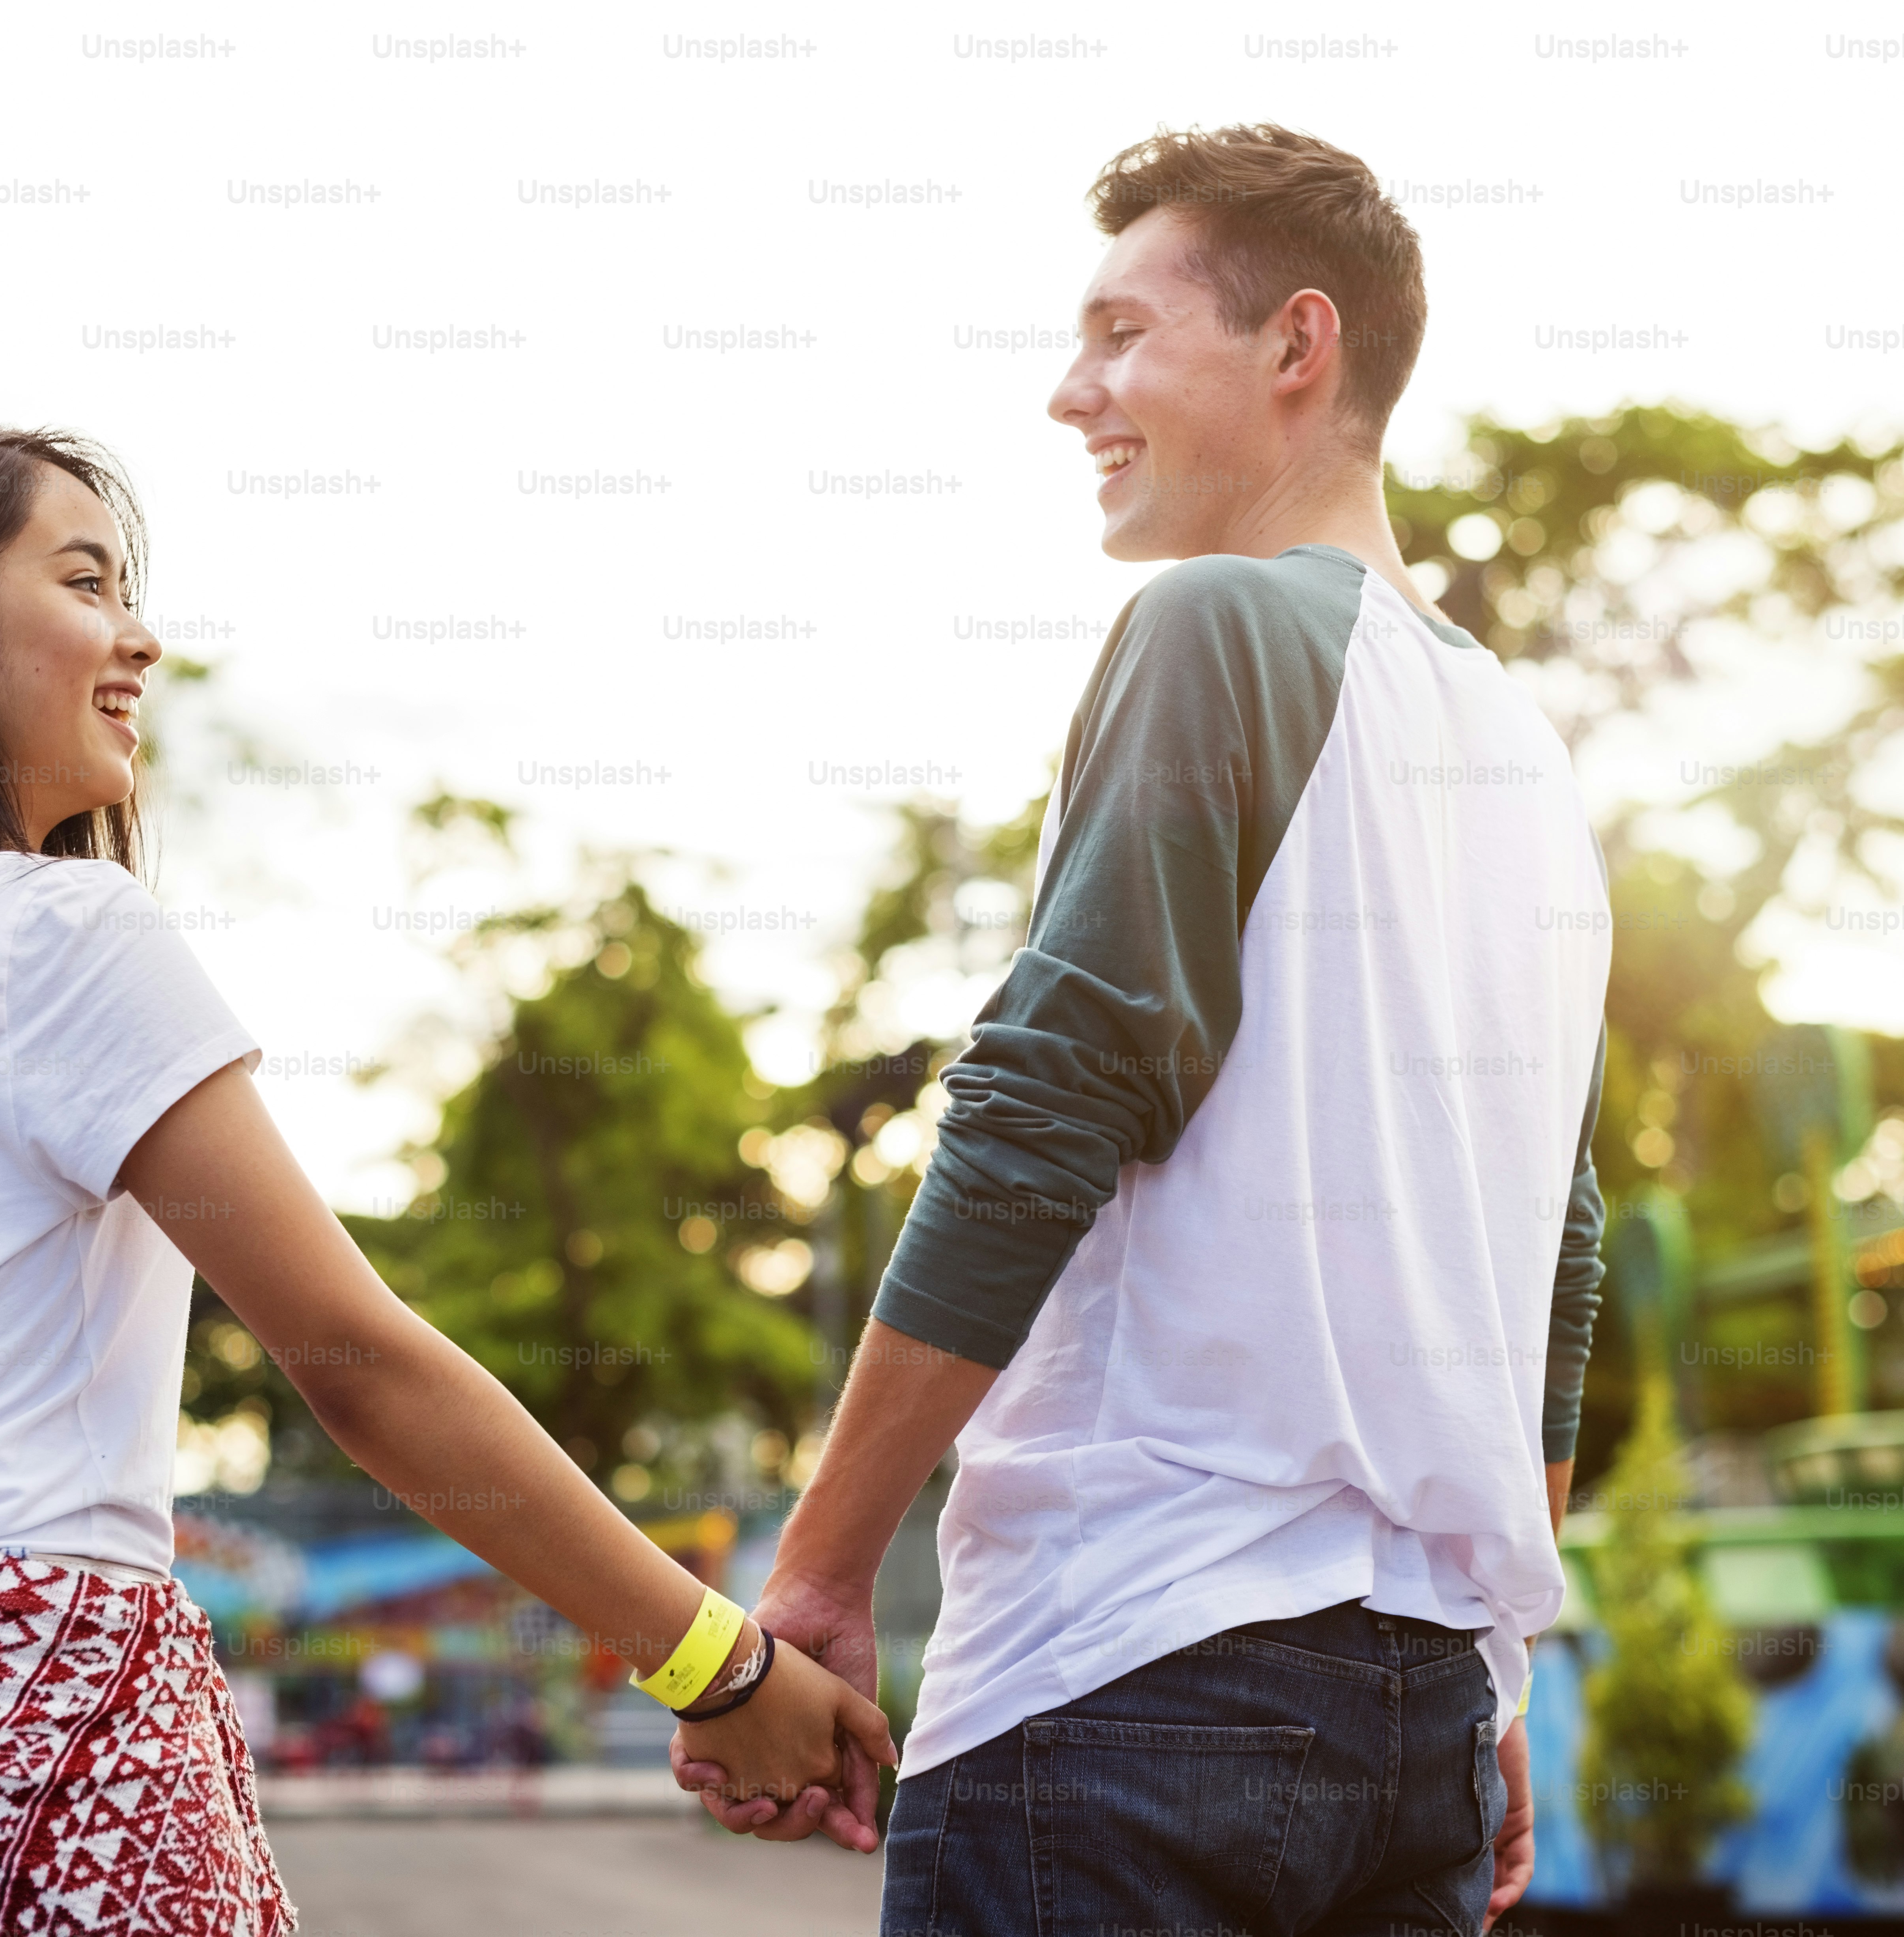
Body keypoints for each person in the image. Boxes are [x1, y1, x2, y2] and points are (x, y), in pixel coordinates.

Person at [0, 425, 894, 1937]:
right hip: (8, 1751)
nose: (140, 637)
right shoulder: (53, 933)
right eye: (85, 581)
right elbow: (361, 1367)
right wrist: (717, 1667)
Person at [674, 124, 1610, 1936]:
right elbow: (1551, 1258)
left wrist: (819, 1568)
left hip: (1136, 1674)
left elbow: (1051, 1099)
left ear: (1297, 348)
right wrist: (1495, 1646)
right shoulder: (1530, 759)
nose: (1067, 393)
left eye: (1119, 333)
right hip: (1412, 1715)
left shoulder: (1218, 623)